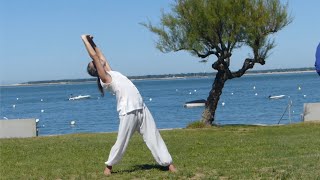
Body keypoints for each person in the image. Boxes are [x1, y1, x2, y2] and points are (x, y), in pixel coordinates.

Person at [80, 34, 177, 176]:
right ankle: (109, 166)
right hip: (128, 111)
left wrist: (92, 41)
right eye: (95, 62)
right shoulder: (105, 78)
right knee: (121, 142)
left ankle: (168, 164)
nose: (100, 60)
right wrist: (84, 40)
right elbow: (95, 56)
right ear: (97, 69)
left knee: (154, 136)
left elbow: (99, 55)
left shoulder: (110, 72)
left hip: (141, 107)